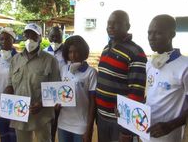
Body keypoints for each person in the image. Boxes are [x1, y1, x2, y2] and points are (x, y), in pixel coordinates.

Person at [0, 23, 61, 142]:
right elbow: (10, 85)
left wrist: (42, 104)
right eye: (27, 35)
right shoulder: (15, 60)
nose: (30, 39)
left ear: (40, 37)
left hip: (42, 116)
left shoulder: (51, 60)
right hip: (20, 113)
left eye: (34, 36)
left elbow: (55, 90)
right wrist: (1, 102)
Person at [95, 10, 147, 142]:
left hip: (120, 122)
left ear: (127, 27)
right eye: (109, 23)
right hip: (102, 117)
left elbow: (136, 92)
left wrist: (127, 129)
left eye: (116, 23)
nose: (111, 26)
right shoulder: (106, 49)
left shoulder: (136, 53)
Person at [142, 14, 188, 142]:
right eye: (149, 33)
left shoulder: (185, 66)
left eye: (158, 33)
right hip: (146, 135)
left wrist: (171, 125)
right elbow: (150, 97)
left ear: (172, 34)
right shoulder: (150, 63)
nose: (151, 38)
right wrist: (126, 111)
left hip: (169, 138)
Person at [57, 35, 97, 142]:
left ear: (83, 52)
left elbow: (93, 103)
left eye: (76, 52)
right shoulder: (64, 69)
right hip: (63, 123)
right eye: (70, 52)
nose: (73, 55)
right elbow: (59, 93)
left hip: (81, 125)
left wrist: (89, 128)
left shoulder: (91, 72)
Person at [0, 27, 17, 142]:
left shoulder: (19, 58)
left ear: (13, 40)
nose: (3, 42)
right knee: (4, 136)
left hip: (14, 104)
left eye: (7, 39)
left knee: (14, 137)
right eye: (1, 39)